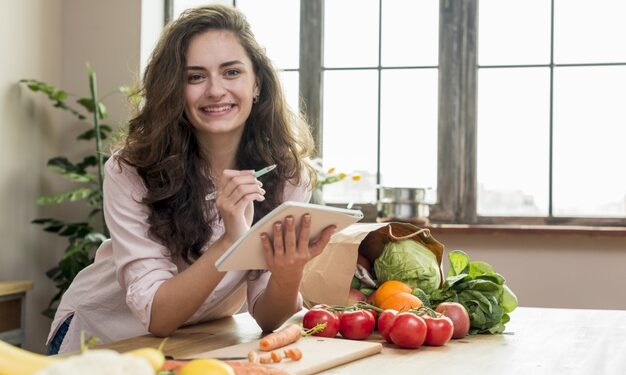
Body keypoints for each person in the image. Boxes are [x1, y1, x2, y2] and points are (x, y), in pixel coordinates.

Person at [46, 4, 335, 354]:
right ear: (175, 90)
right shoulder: (131, 169)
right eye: (195, 77)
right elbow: (157, 316)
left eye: (231, 72)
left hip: (191, 344)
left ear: (257, 82)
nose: (215, 90)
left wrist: (288, 273)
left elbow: (270, 318)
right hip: (104, 340)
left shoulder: (288, 175)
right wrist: (231, 240)